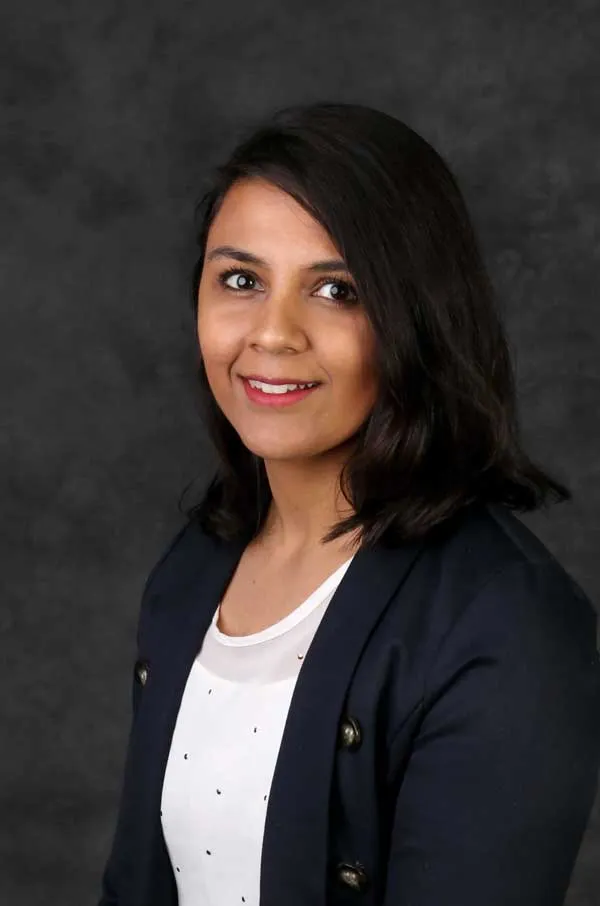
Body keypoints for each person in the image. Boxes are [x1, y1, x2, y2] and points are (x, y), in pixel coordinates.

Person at [97, 101, 600, 906]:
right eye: (240, 280)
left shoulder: (508, 628)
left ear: (418, 318)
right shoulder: (192, 571)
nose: (273, 333)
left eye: (336, 290)